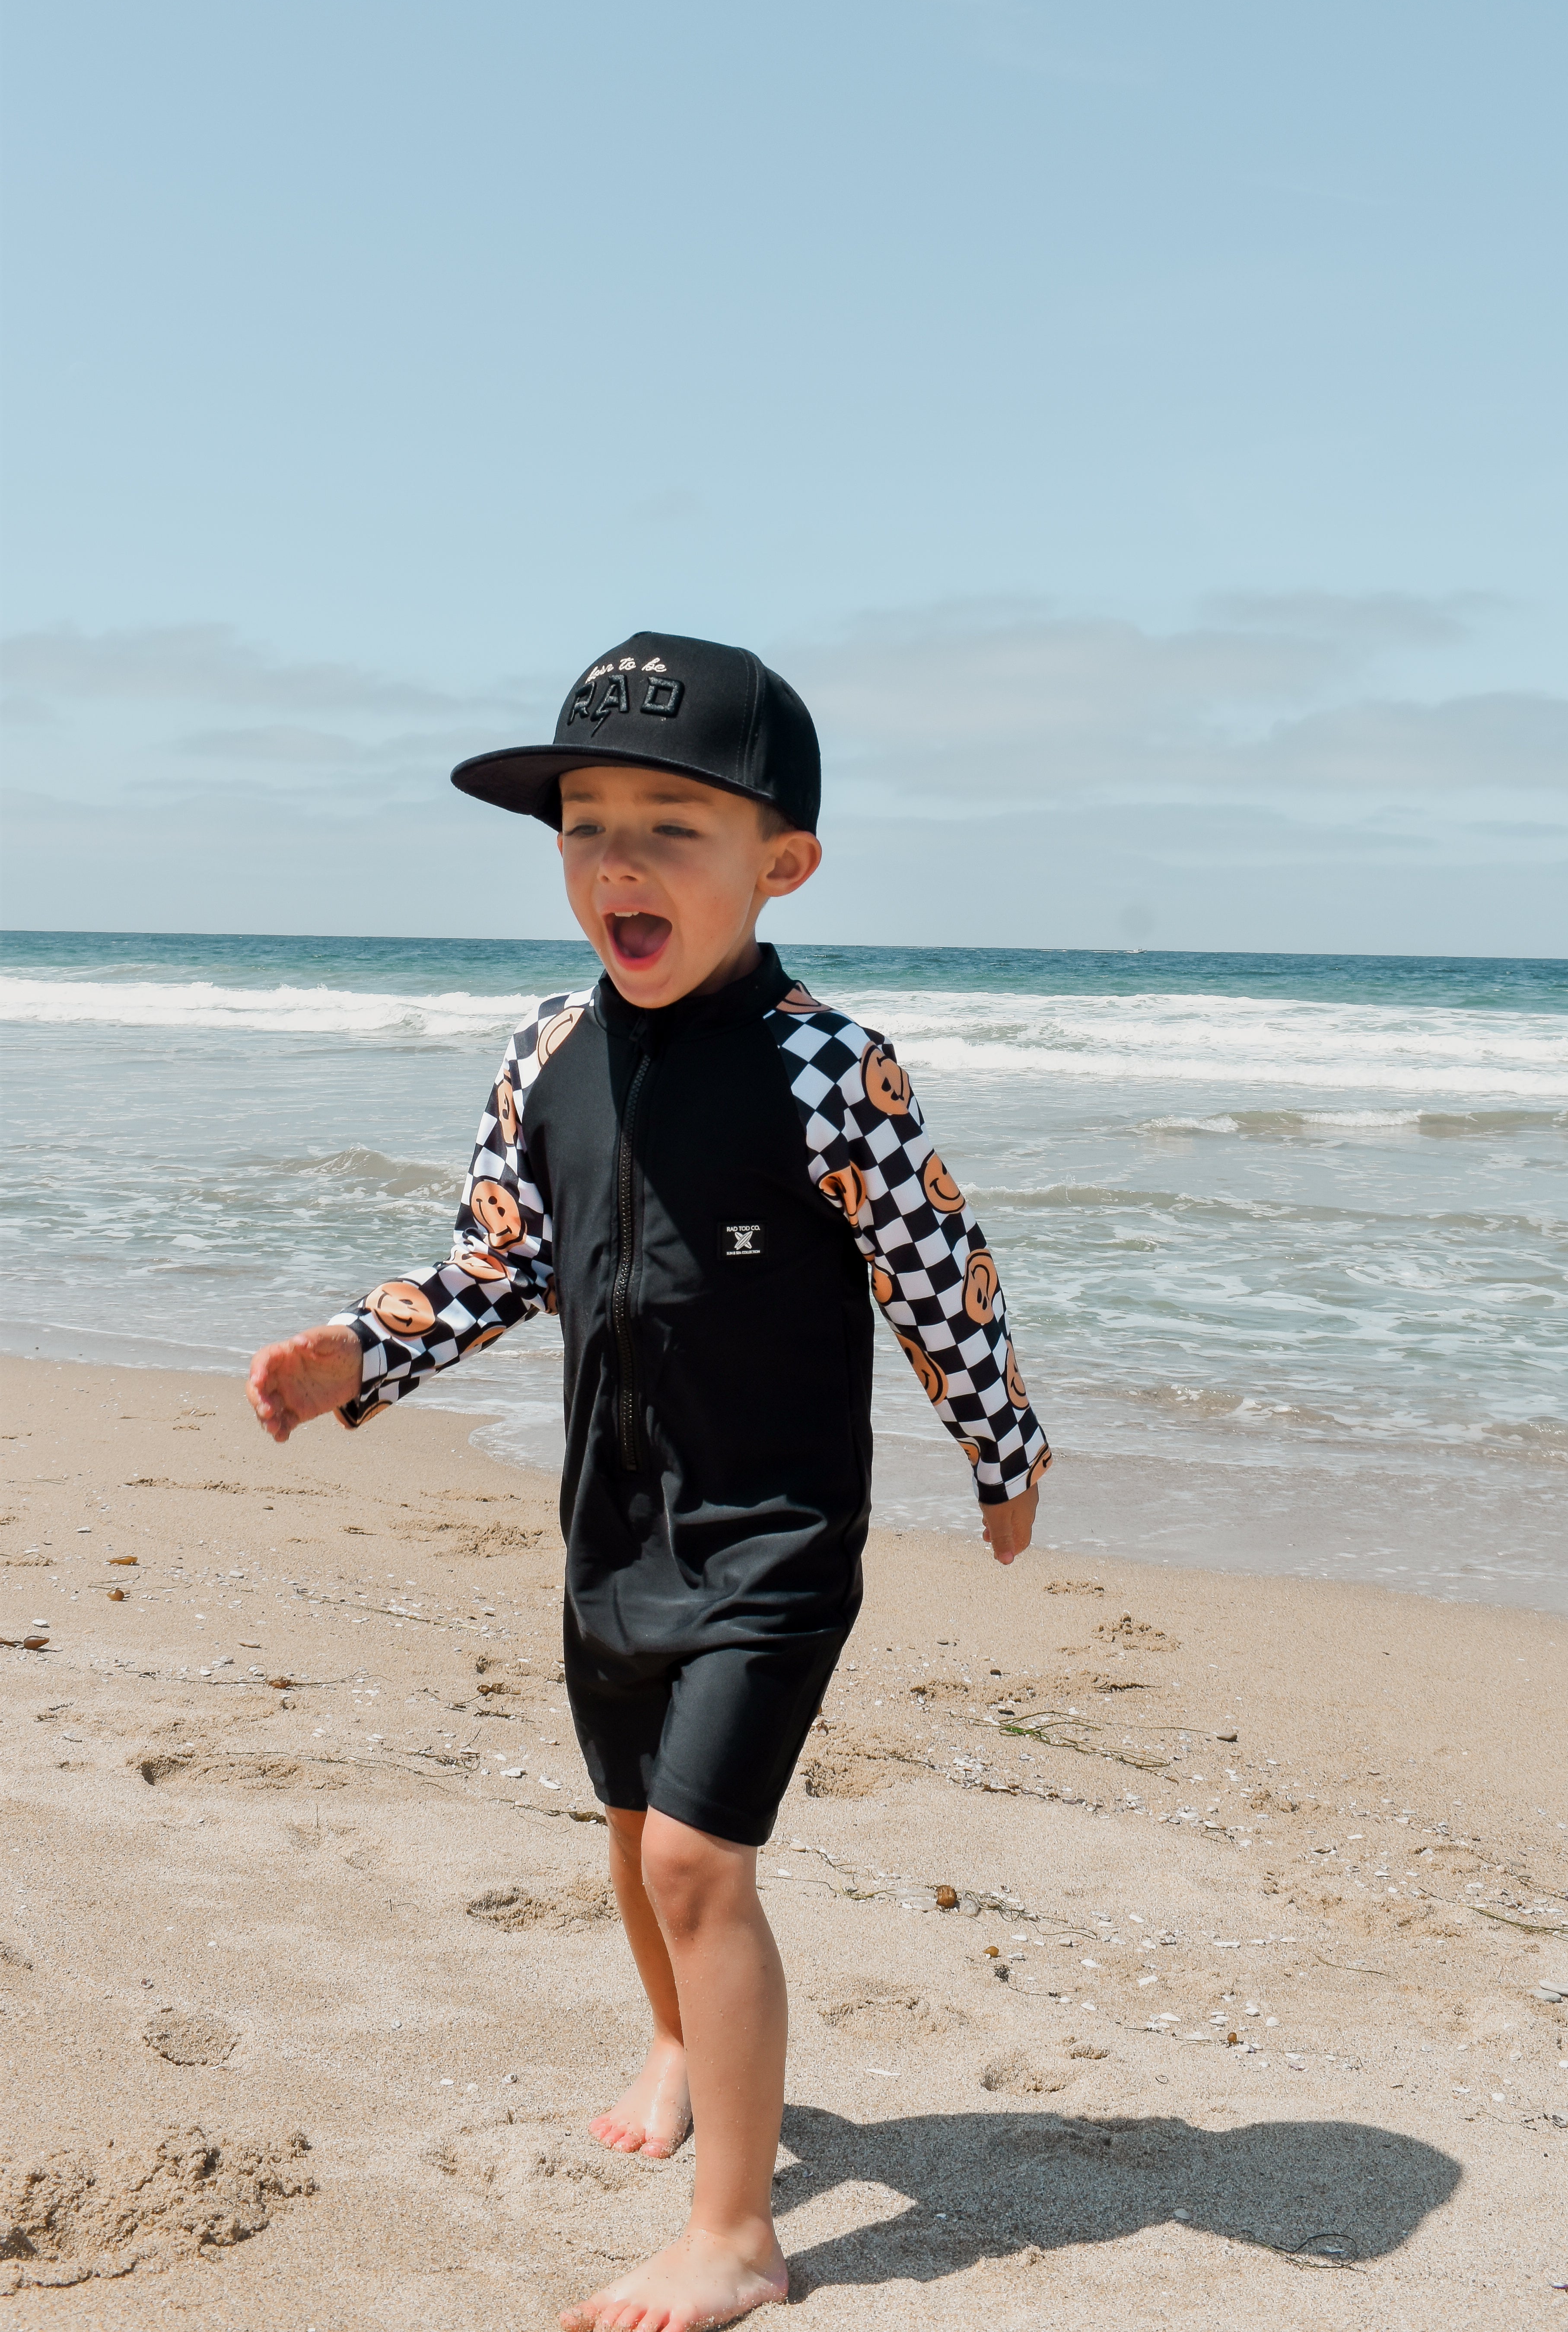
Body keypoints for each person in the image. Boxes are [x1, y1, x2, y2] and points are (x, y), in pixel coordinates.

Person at [246, 632, 1050, 2332]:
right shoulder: (547, 1052)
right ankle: (683, 2040)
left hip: (774, 1532)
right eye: (584, 823)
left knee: (697, 1860)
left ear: (782, 865)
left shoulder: (832, 1070)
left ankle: (738, 2231)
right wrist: (353, 1355)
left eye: (672, 826)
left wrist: (1001, 1446)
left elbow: (937, 1266)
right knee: (630, 1835)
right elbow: (495, 1261)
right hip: (609, 1524)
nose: (618, 859)